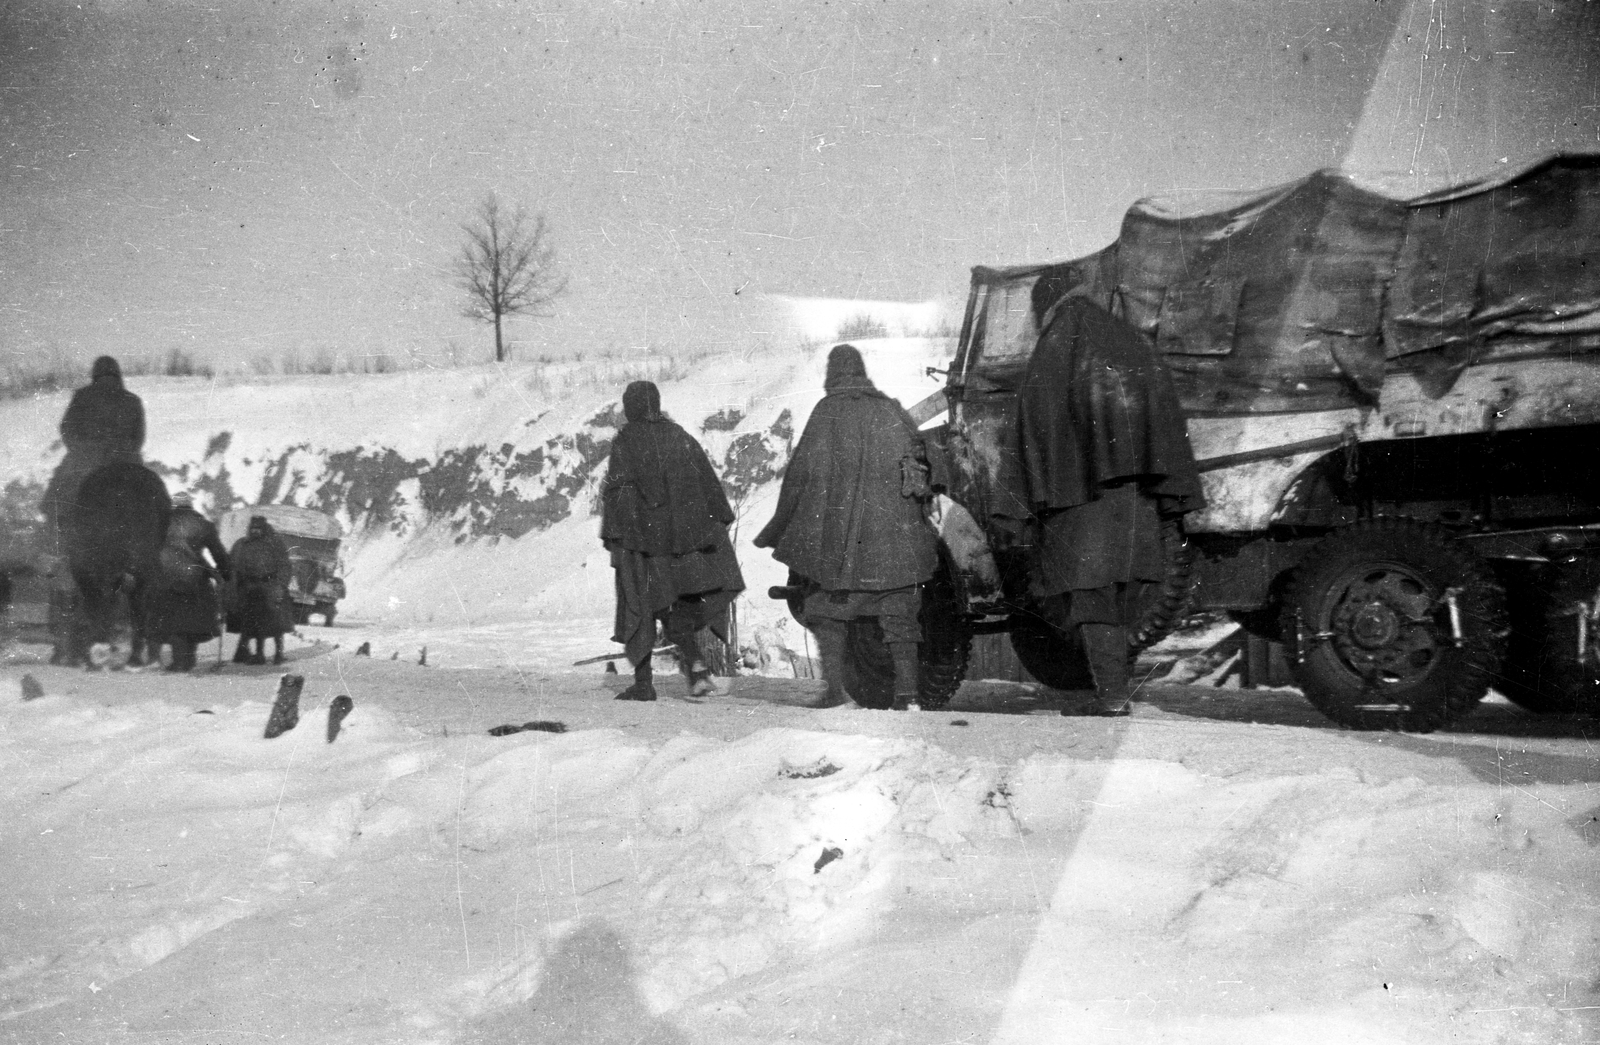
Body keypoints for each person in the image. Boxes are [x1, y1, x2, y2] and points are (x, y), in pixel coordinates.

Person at [1014, 296, 1206, 716]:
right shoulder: (1132, 342)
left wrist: (1028, 496)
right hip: (1139, 502)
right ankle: (1113, 689)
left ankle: (1114, 697)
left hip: (1081, 500)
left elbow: (1035, 418)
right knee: (1122, 601)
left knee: (1092, 599)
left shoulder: (1059, 342)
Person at [753, 344, 942, 710]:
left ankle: (834, 692)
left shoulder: (826, 412)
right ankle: (908, 695)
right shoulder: (891, 409)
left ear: (832, 373)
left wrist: (777, 529)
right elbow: (927, 460)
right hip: (894, 551)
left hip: (841, 554)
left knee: (825, 612)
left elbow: (799, 477)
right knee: (900, 618)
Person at [601, 381, 745, 701]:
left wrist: (619, 535)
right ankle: (697, 671)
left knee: (639, 607)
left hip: (642, 546)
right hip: (679, 548)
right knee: (674, 609)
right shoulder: (681, 437)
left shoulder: (626, 441)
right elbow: (709, 490)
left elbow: (617, 494)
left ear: (633, 407)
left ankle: (644, 683)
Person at [41, 355, 146, 553]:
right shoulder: (133, 400)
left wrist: (82, 450)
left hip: (86, 460)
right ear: (118, 374)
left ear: (95, 374)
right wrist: (124, 452)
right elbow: (139, 438)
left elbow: (66, 429)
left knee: (56, 502)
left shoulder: (82, 395)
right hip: (126, 461)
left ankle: (55, 550)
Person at [145, 492, 230, 672]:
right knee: (192, 620)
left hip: (165, 579)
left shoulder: (161, 524)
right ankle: (187, 660)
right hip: (194, 580)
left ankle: (178, 662)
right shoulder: (203, 524)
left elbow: (150, 550)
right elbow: (219, 553)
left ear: (175, 505)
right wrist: (226, 574)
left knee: (170, 621)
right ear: (190, 505)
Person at [227, 514, 293, 666]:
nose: (256, 531)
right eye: (253, 528)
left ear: (264, 528)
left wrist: (281, 585)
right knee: (253, 622)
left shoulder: (275, 544)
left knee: (276, 623)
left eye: (258, 528)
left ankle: (278, 653)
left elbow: (284, 565)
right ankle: (258, 654)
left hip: (270, 587)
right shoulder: (243, 544)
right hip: (249, 588)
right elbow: (233, 565)